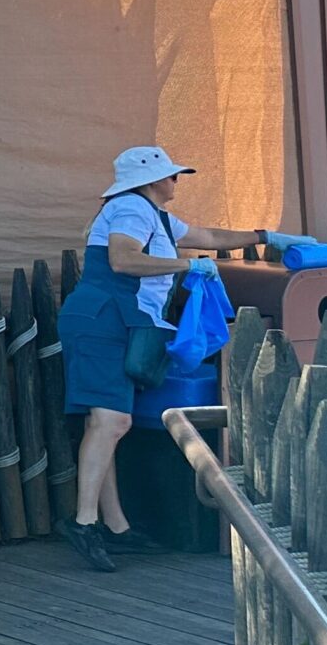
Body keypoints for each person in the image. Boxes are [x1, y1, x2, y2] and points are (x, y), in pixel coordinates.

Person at [58, 145, 286, 572]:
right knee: (112, 422)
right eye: (172, 175)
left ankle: (115, 527)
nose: (176, 181)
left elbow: (210, 238)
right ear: (150, 180)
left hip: (113, 320)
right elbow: (122, 259)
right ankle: (83, 521)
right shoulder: (130, 208)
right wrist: (186, 267)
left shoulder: (156, 215)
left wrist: (265, 237)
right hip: (105, 318)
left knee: (106, 423)